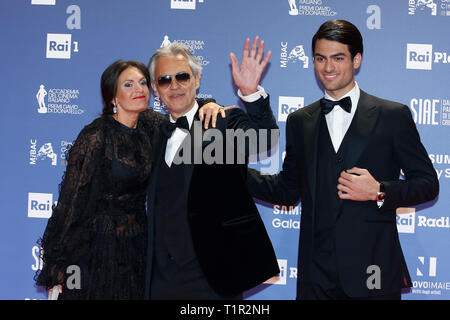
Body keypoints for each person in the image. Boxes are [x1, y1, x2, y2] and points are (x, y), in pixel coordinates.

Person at [247, 20, 439, 300]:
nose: (328, 68)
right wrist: (231, 173)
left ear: (356, 59)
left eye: (338, 58)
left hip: (373, 272)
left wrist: (380, 191)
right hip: (316, 277)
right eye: (320, 58)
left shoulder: (392, 116)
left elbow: (428, 184)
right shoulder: (300, 121)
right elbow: (287, 190)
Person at [35, 60, 226, 299]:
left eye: (143, 83)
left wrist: (208, 105)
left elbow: (185, 116)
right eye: (128, 84)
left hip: (138, 246)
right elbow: (71, 203)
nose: (139, 90)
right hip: (98, 248)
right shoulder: (95, 136)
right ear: (113, 96)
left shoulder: (151, 125)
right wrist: (59, 266)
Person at [145, 38, 280, 300]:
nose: (174, 86)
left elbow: (265, 138)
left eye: (182, 76)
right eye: (165, 80)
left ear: (197, 79)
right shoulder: (152, 132)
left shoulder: (223, 121)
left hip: (213, 281)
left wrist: (250, 93)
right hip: (159, 283)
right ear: (155, 88)